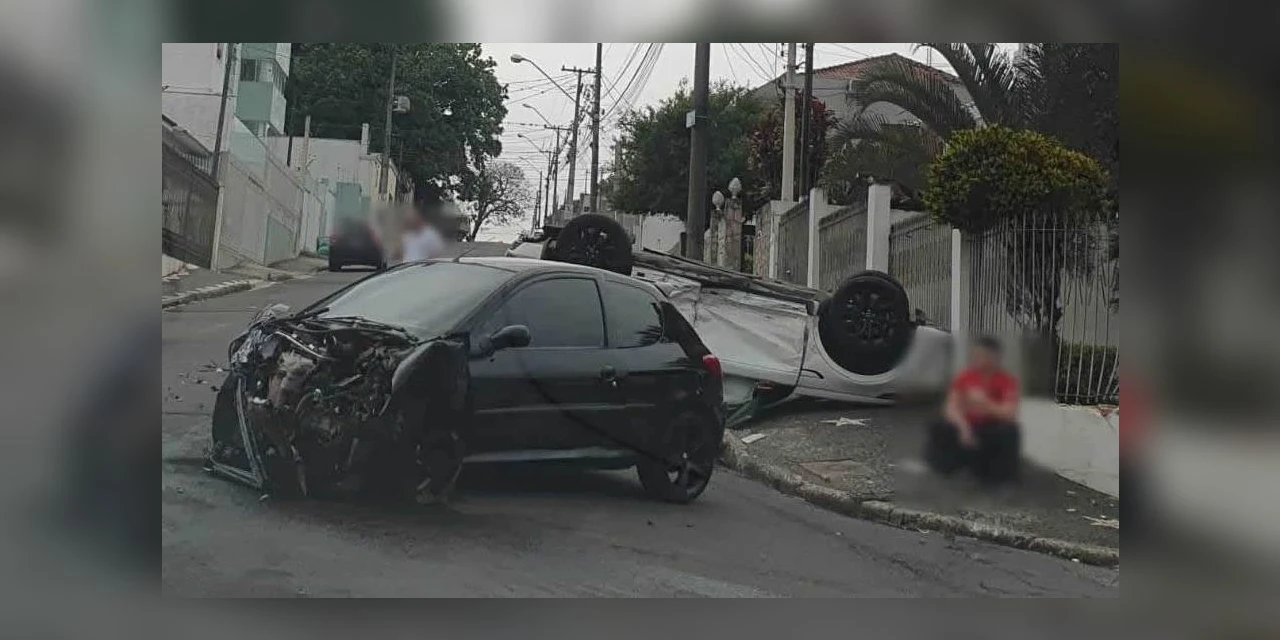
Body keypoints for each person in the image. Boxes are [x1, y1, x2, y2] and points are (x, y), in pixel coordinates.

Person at [925, 336, 1022, 486]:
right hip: (967, 424)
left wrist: (985, 403)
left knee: (1010, 431)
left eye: (983, 356)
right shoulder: (965, 376)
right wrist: (964, 428)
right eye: (976, 355)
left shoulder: (1006, 380)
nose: (978, 359)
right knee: (939, 424)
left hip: (990, 426)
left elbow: (1008, 413)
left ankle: (999, 476)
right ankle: (947, 468)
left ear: (995, 357)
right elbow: (951, 407)